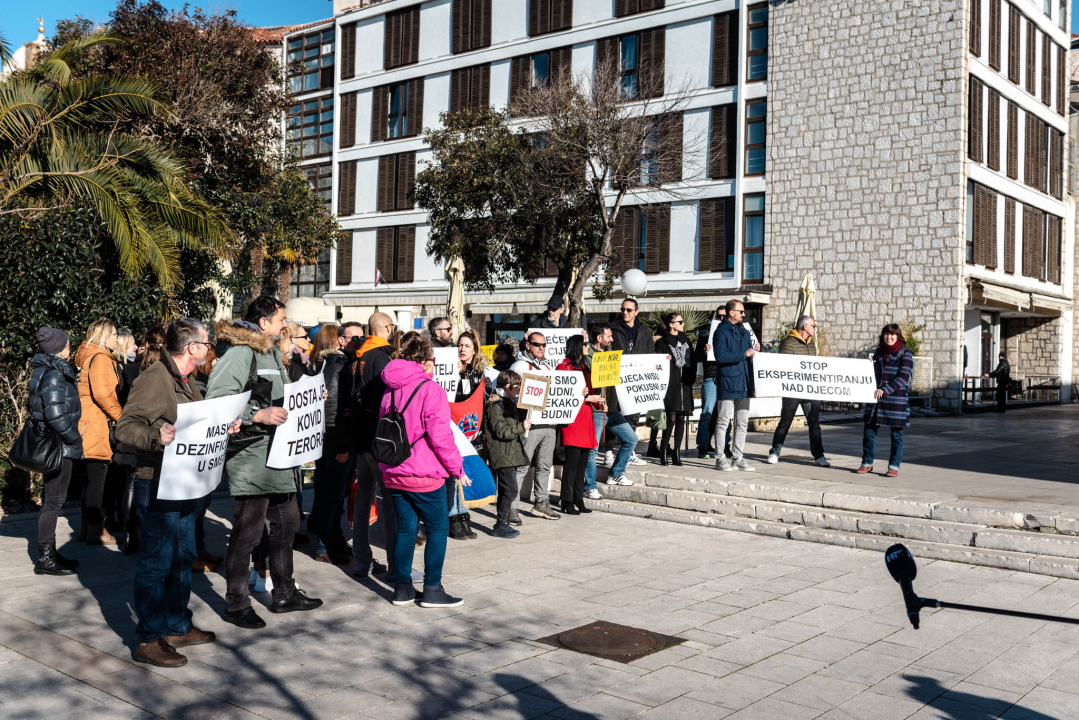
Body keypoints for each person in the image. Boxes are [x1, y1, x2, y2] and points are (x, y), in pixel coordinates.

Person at [116, 319, 241, 668]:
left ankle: (176, 625)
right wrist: (157, 437)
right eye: (206, 343)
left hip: (185, 483)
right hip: (157, 483)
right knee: (155, 563)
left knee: (182, 557)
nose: (209, 347)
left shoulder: (186, 380)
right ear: (192, 348)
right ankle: (148, 639)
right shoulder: (155, 379)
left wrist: (223, 428)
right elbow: (126, 427)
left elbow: (195, 424)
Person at [207, 296, 323, 630]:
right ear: (263, 323)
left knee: (287, 525)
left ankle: (285, 593)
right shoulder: (241, 353)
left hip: (280, 458)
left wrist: (309, 398)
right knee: (247, 533)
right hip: (252, 458)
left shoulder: (271, 352)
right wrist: (257, 414)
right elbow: (218, 399)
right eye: (281, 319)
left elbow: (279, 398)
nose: (286, 324)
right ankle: (236, 603)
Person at [379, 335, 466, 608]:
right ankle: (432, 589)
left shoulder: (388, 387)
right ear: (427, 361)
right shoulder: (431, 390)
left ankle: (402, 589)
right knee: (438, 528)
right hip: (424, 473)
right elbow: (441, 436)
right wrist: (457, 468)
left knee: (405, 529)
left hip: (394, 469)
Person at [339, 312, 396, 578]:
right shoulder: (381, 356)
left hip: (359, 436)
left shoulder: (356, 357)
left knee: (363, 498)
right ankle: (396, 561)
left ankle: (363, 560)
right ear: (387, 327)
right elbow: (386, 399)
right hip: (378, 437)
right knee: (390, 501)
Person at [29, 327, 83, 576]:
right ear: (59, 348)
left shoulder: (45, 370)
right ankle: (46, 558)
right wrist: (74, 438)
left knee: (53, 501)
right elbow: (56, 414)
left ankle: (50, 553)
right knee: (53, 503)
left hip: (55, 445)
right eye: (68, 344)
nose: (70, 348)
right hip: (59, 446)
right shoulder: (54, 374)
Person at [75, 319, 123, 545]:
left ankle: (87, 528)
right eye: (114, 334)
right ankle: (96, 530)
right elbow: (104, 395)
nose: (117, 338)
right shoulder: (101, 358)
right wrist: (122, 418)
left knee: (91, 479)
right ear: (104, 336)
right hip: (96, 425)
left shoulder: (90, 356)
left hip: (88, 423)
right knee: (97, 479)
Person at [309, 324, 352, 564]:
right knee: (333, 495)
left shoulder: (316, 364)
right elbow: (332, 407)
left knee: (325, 492)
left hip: (320, 438)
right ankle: (326, 546)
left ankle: (330, 539)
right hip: (334, 439)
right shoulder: (337, 364)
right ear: (337, 341)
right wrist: (343, 444)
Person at [510, 332, 560, 521]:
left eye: (543, 345)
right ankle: (511, 506)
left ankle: (541, 502)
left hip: (549, 422)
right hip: (530, 423)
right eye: (537, 344)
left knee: (545, 465)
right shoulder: (519, 366)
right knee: (522, 465)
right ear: (527, 345)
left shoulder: (548, 365)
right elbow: (510, 392)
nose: (541, 347)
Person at [767, 316, 830, 467]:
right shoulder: (788, 342)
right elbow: (783, 366)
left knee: (814, 424)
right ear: (804, 326)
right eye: (813, 326)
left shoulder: (811, 343)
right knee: (785, 422)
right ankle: (775, 452)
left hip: (809, 390)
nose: (815, 328)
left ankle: (819, 456)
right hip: (792, 391)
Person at [584, 324, 636, 491]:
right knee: (592, 450)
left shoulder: (611, 355)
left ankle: (616, 474)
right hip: (596, 411)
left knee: (631, 439)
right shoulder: (587, 356)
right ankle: (590, 486)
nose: (612, 339)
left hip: (611, 410)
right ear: (599, 338)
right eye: (609, 336)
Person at [858, 323, 914, 478]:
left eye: (892, 334)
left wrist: (885, 390)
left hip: (895, 400)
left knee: (897, 435)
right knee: (868, 431)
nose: (889, 337)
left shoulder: (905, 354)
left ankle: (894, 466)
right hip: (875, 399)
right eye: (886, 334)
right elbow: (871, 375)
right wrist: (868, 366)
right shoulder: (878, 352)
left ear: (898, 336)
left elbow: (903, 378)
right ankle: (867, 463)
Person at [448, 329, 488, 540]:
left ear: (474, 350)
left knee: (467, 473)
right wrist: (453, 373)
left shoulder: (479, 372)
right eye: (460, 345)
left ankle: (464, 515)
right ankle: (453, 517)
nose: (462, 349)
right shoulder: (449, 369)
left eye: (467, 346)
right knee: (455, 474)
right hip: (452, 427)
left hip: (472, 430)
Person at [556, 336, 602, 514]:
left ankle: (578, 498)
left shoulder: (584, 367)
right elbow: (560, 395)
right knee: (572, 463)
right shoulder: (563, 367)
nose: (587, 346)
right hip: (573, 421)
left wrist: (598, 403)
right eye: (584, 344)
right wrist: (584, 397)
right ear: (576, 345)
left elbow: (590, 393)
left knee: (582, 463)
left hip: (586, 418)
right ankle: (566, 501)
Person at [713, 300, 758, 472]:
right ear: (731, 313)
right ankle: (720, 458)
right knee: (723, 421)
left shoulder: (744, 330)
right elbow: (721, 356)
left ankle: (738, 458)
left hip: (745, 382)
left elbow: (748, 351)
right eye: (741, 311)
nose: (743, 314)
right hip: (727, 381)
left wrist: (754, 349)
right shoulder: (721, 331)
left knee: (742, 423)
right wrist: (744, 353)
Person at [189, 346, 224, 573]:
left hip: (206, 455)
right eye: (214, 360)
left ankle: (198, 550)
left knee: (201, 508)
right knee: (195, 509)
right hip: (197, 456)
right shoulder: (199, 387)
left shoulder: (203, 384)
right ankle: (193, 553)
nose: (218, 363)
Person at [483, 371, 529, 538]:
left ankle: (503, 522)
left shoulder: (508, 403)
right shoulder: (495, 405)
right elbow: (501, 431)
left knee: (507, 489)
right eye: (516, 388)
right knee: (510, 489)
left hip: (509, 453)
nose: (518, 391)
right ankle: (500, 523)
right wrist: (521, 427)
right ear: (507, 387)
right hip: (501, 453)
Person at [608, 298, 653, 467]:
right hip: (616, 378)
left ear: (636, 312)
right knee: (613, 414)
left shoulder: (645, 331)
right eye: (623, 309)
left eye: (628, 310)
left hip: (636, 379)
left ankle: (630, 451)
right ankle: (608, 451)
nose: (625, 312)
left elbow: (650, 353)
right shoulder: (613, 328)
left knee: (633, 416)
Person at [654, 313, 695, 467]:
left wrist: (690, 378)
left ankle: (676, 452)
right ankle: (663, 450)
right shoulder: (662, 342)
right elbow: (656, 362)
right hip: (670, 383)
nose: (683, 324)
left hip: (684, 383)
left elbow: (692, 359)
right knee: (670, 418)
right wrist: (664, 360)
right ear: (671, 324)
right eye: (680, 321)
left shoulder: (686, 340)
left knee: (680, 418)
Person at [695, 306, 725, 458]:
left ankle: (724, 446)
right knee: (707, 413)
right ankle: (703, 446)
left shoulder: (733, 331)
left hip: (726, 377)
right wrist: (704, 352)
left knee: (724, 415)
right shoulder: (706, 332)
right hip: (711, 376)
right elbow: (697, 356)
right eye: (719, 316)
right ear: (714, 317)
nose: (721, 319)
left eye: (724, 316)